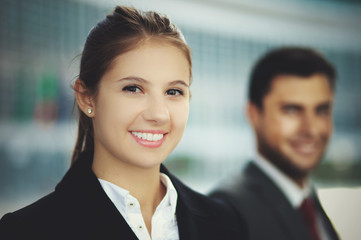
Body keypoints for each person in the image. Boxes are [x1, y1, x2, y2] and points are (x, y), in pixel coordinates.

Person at [0, 6, 245, 240]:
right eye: (133, 88)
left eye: (173, 92)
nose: (159, 114)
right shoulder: (26, 231)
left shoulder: (225, 222)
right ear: (87, 97)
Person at [210, 47, 340, 240]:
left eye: (321, 110)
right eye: (291, 110)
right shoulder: (227, 212)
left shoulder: (308, 202)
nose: (311, 129)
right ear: (254, 114)